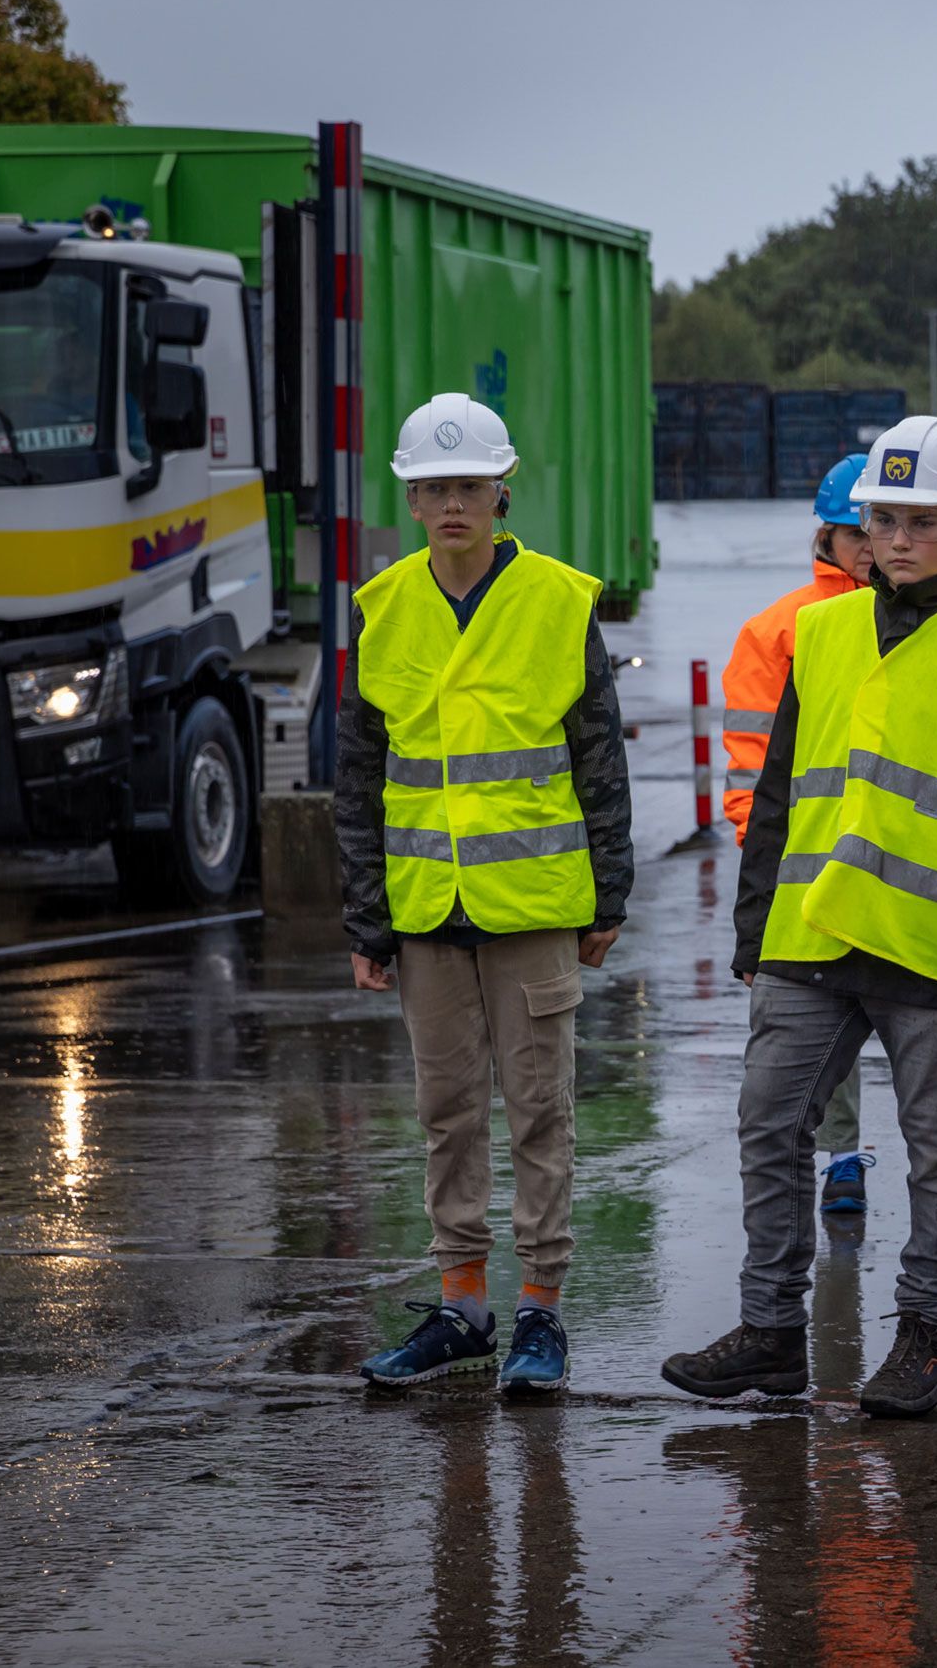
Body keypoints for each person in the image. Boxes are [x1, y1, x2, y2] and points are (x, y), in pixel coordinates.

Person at [664, 415, 937, 1419]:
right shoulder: (822, 634)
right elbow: (782, 792)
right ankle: (771, 1332)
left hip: (929, 949)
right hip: (808, 935)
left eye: (922, 520)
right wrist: (754, 933)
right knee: (767, 1125)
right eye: (883, 519)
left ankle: (927, 1340)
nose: (899, 539)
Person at [341, 392, 633, 1395]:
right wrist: (366, 919)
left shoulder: (557, 600)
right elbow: (361, 776)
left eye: (467, 486)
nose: (451, 503)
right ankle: (462, 1309)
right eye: (433, 488)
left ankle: (540, 1317)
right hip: (427, 913)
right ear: (411, 501)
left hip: (536, 909)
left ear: (500, 492)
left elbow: (598, 756)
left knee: (540, 1112)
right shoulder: (382, 610)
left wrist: (610, 896)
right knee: (447, 1113)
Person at [718, 453, 907, 1221]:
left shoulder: (934, 622)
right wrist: (770, 868)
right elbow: (751, 772)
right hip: (809, 872)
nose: (870, 544)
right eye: (853, 529)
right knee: (818, 1035)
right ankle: (843, 1159)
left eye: (881, 524)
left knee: (928, 1030)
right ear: (825, 537)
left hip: (907, 866)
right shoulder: (780, 631)